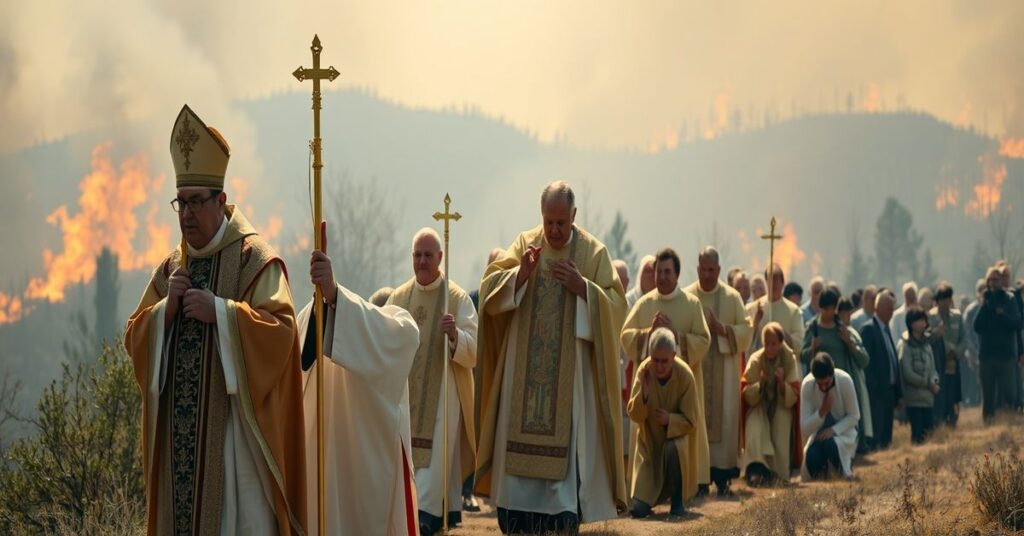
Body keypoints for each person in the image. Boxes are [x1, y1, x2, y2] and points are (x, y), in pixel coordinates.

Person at [124, 105, 307, 535]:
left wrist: (223, 315)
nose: (186, 214)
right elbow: (134, 338)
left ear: (222, 201)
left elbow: (282, 333)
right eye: (180, 203)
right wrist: (164, 314)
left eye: (196, 202)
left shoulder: (253, 261)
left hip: (235, 447)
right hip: (180, 453)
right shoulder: (172, 268)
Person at [475, 181, 627, 534]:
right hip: (522, 379)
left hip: (568, 381)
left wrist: (584, 289)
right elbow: (488, 290)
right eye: (549, 222)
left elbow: (619, 306)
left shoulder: (592, 253)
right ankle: (516, 514)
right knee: (517, 461)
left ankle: (561, 517)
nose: (554, 230)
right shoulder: (525, 244)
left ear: (574, 216)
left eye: (561, 222)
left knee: (565, 450)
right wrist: (520, 275)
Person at [298, 246, 420, 535]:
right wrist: (327, 299)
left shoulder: (390, 330)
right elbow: (302, 354)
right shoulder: (344, 326)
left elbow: (396, 332)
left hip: (368, 471)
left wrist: (334, 293)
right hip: (331, 462)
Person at [386, 228, 478, 536]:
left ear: (441, 258)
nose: (422, 261)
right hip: (405, 395)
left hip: (440, 395)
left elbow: (474, 349)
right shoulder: (398, 298)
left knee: (435, 456)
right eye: (417, 255)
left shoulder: (456, 298)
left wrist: (454, 335)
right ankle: (415, 512)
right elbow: (383, 341)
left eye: (428, 255)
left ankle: (424, 514)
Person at [621, 248, 712, 495]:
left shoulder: (691, 305)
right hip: (650, 390)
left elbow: (704, 340)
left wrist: (677, 338)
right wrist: (648, 335)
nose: (661, 277)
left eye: (667, 272)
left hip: (682, 389)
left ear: (677, 274)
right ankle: (644, 489)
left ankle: (687, 485)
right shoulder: (644, 303)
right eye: (659, 271)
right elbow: (625, 337)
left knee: (682, 434)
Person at [683, 247, 753, 496]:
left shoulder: (732, 297)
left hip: (724, 371)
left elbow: (746, 331)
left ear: (719, 270)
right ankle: (699, 478)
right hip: (696, 370)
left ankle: (723, 476)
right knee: (698, 415)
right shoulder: (687, 297)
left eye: (712, 270)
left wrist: (721, 329)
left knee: (724, 416)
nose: (707, 275)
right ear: (697, 268)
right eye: (703, 269)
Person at [626, 328, 701, 518]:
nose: (659, 366)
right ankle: (649, 497)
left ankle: (677, 502)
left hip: (676, 448)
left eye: (664, 361)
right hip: (649, 450)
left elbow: (692, 421)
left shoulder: (685, 375)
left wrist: (671, 421)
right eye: (655, 360)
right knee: (638, 510)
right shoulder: (644, 371)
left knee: (671, 447)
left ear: (674, 356)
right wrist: (643, 395)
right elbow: (635, 416)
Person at [802, 290, 872, 453]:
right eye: (825, 309)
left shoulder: (842, 328)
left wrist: (849, 343)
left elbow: (863, 359)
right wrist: (812, 349)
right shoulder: (813, 329)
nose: (828, 313)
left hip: (842, 384)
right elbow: (802, 356)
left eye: (832, 309)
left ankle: (853, 450)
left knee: (847, 418)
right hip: (820, 385)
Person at [740, 323, 801, 486]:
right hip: (759, 404)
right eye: (766, 343)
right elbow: (747, 393)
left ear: (781, 343)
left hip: (781, 404)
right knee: (754, 425)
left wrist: (781, 384)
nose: (769, 348)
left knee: (781, 422)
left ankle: (778, 473)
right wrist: (760, 383)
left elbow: (793, 393)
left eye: (773, 344)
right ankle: (756, 470)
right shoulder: (756, 360)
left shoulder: (789, 359)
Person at [974, 266, 1023, 422]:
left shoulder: (1009, 299)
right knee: (988, 395)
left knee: (1009, 392)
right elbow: (977, 326)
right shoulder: (985, 301)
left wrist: (1003, 316)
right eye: (991, 280)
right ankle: (989, 424)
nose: (994, 283)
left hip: (1006, 355)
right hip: (987, 356)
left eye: (997, 279)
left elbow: (1017, 323)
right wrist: (985, 304)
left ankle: (1010, 420)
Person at [800, 353, 860, 481]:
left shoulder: (844, 380)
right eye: (819, 384)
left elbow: (854, 416)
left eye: (826, 383)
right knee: (812, 456)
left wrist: (833, 431)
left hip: (843, 433)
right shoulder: (807, 385)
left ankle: (843, 473)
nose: (823, 388)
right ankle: (823, 479)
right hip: (818, 436)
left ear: (832, 374)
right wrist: (821, 413)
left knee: (831, 445)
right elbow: (804, 429)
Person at [859, 291, 901, 450]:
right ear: (881, 308)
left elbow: (892, 360)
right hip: (876, 394)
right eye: (890, 308)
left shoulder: (886, 329)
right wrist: (874, 388)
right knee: (878, 433)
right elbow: (867, 365)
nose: (892, 311)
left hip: (889, 392)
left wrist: (898, 393)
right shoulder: (869, 329)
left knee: (887, 437)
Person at [898, 306, 940, 444]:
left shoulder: (927, 345)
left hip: (928, 399)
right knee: (917, 438)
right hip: (914, 400)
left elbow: (933, 368)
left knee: (930, 436)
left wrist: (934, 381)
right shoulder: (905, 345)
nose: (923, 323)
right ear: (911, 324)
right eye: (919, 320)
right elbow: (907, 373)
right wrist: (927, 383)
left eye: (924, 320)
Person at [746, 265, 805, 360]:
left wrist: (781, 332)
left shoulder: (794, 311)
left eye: (776, 278)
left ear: (782, 282)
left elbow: (799, 345)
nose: (773, 283)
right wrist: (756, 322)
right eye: (770, 279)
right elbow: (745, 343)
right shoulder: (753, 309)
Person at [928, 282, 964, 427]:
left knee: (953, 395)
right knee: (941, 394)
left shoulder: (957, 316)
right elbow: (928, 338)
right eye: (942, 298)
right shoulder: (931, 316)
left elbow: (964, 338)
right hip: (938, 364)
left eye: (947, 298)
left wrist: (955, 352)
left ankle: (953, 420)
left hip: (953, 363)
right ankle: (940, 422)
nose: (945, 302)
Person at [961, 278, 987, 406]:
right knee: (977, 382)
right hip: (974, 355)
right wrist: (974, 353)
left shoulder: (990, 307)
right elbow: (967, 333)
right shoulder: (970, 310)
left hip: (989, 354)